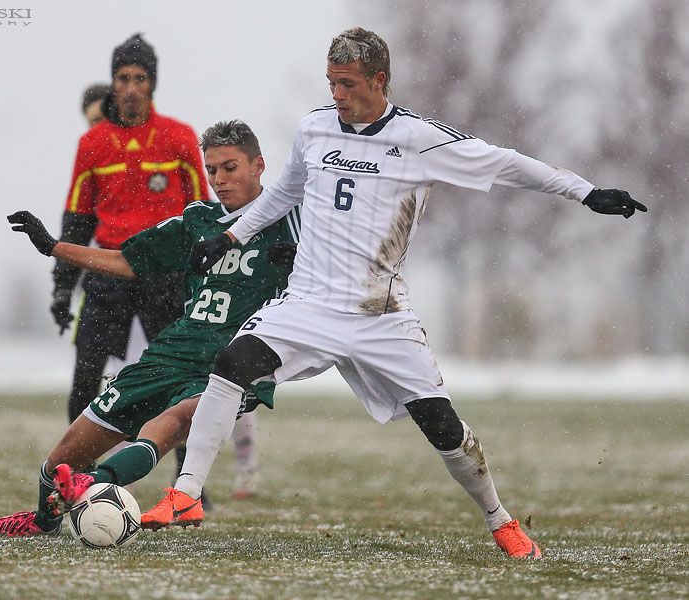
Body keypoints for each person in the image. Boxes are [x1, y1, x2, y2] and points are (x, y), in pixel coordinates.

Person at [142, 27, 647, 558]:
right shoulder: (314, 129)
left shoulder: (417, 139)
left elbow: (506, 164)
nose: (336, 95)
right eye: (331, 83)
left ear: (379, 80)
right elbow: (284, 194)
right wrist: (229, 235)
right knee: (232, 362)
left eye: (348, 84)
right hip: (308, 304)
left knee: (443, 427)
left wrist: (587, 192)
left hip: (379, 313)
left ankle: (500, 520)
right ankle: (185, 495)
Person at [0, 120, 300, 536]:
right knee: (67, 451)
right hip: (173, 351)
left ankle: (92, 485)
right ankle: (44, 520)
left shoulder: (294, 219)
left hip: (236, 359)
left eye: (230, 167)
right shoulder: (198, 220)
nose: (219, 179)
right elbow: (126, 261)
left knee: (180, 419)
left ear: (259, 165)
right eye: (212, 169)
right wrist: (53, 247)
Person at [49, 33, 207, 428]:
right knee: (86, 377)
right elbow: (78, 220)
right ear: (112, 82)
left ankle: (187, 484)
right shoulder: (92, 144)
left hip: (165, 275)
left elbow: (203, 213)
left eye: (140, 78)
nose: (131, 88)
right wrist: (63, 285)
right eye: (123, 78)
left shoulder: (179, 137)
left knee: (181, 379)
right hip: (107, 272)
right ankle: (74, 477)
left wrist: (206, 276)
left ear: (153, 83)